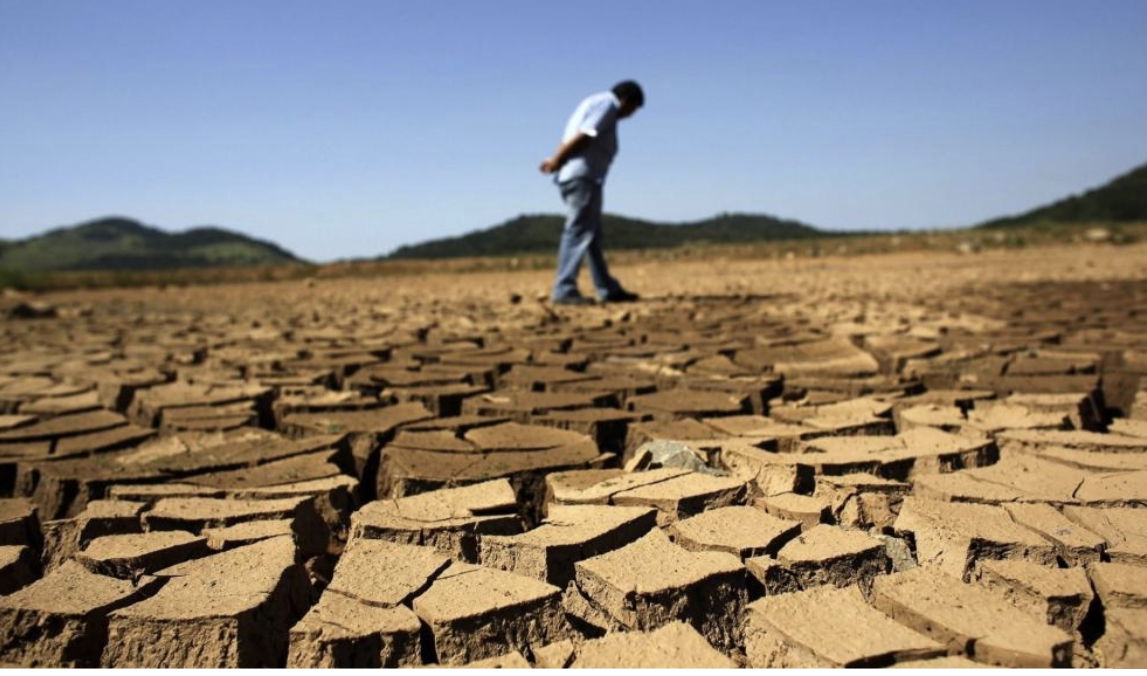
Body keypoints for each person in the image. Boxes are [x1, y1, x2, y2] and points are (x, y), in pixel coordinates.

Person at [539, 80, 644, 304]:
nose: (630, 115)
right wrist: (557, 159)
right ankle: (564, 289)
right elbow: (585, 134)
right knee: (578, 231)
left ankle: (607, 288)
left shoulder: (591, 102)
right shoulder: (607, 105)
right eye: (633, 109)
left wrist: (555, 160)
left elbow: (569, 137)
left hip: (575, 175)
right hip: (583, 176)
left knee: (591, 235)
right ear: (627, 100)